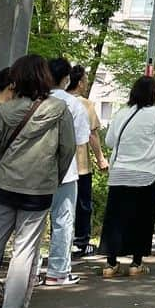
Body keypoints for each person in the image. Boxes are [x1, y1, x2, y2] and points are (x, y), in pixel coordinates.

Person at [0, 54, 76, 308]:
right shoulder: (60, 110)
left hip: (2, 185)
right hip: (38, 189)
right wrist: (54, 178)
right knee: (24, 250)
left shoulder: (6, 110)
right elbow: (67, 150)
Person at [100, 75, 155, 277]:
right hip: (146, 175)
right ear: (153, 93)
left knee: (115, 219)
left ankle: (110, 264)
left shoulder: (122, 113)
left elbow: (109, 141)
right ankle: (136, 263)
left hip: (120, 174)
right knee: (142, 219)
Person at [43, 56, 91, 286]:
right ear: (66, 78)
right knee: (62, 221)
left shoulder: (34, 98)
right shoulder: (74, 105)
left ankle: (30, 273)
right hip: (65, 171)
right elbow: (81, 140)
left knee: (32, 222)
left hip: (32, 172)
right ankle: (57, 271)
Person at [68, 64, 107, 258]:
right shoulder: (86, 104)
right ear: (80, 82)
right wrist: (100, 158)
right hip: (80, 163)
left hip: (59, 163)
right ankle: (81, 242)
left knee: (62, 206)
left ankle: (65, 241)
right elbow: (92, 135)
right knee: (83, 204)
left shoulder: (56, 100)